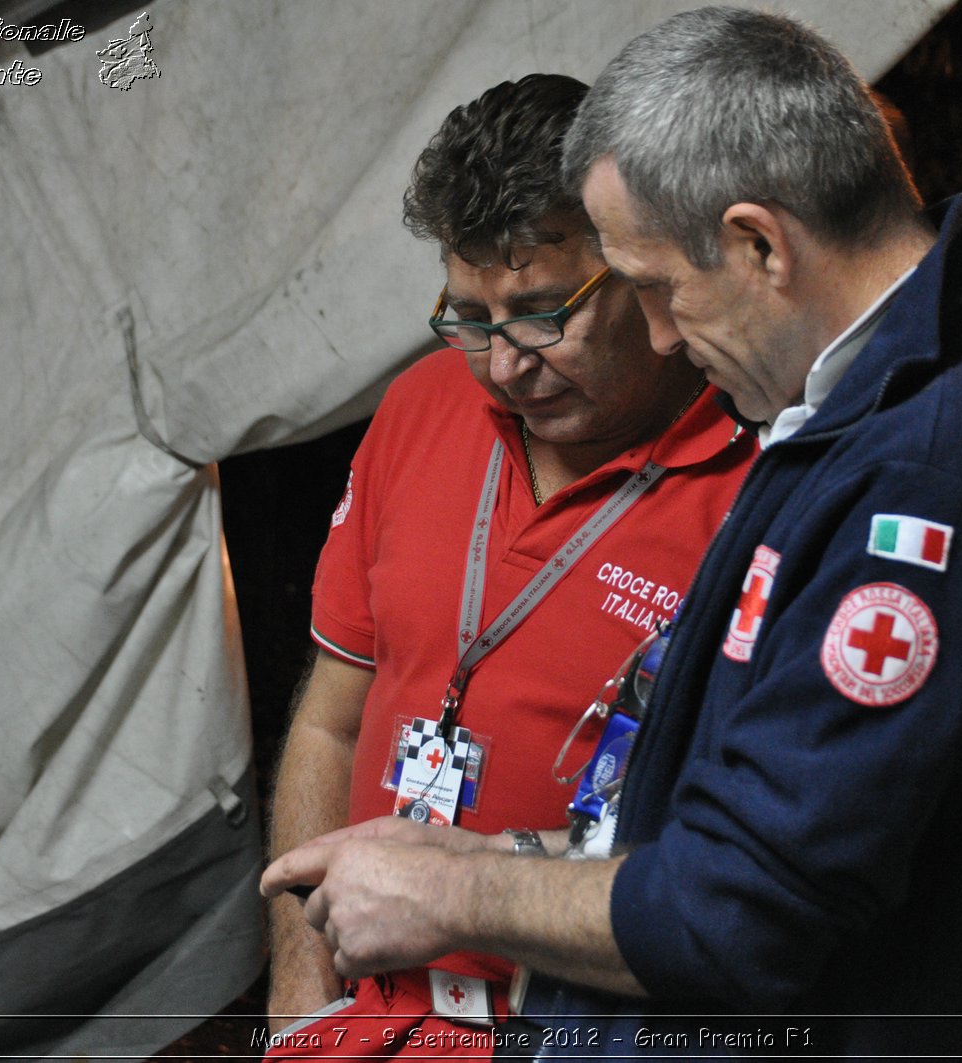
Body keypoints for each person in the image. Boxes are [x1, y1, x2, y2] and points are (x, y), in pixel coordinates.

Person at [263, 7, 962, 1058]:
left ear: (759, 242)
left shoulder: (927, 478)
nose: (663, 332)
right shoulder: (862, 419)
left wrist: (453, 883)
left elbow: (744, 907)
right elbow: (736, 814)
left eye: (658, 288)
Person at [261, 72, 754, 1051]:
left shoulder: (755, 480)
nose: (503, 364)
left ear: (640, 265)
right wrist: (298, 987)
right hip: (364, 1023)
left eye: (539, 310)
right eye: (469, 314)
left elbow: (741, 864)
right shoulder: (418, 407)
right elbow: (331, 717)